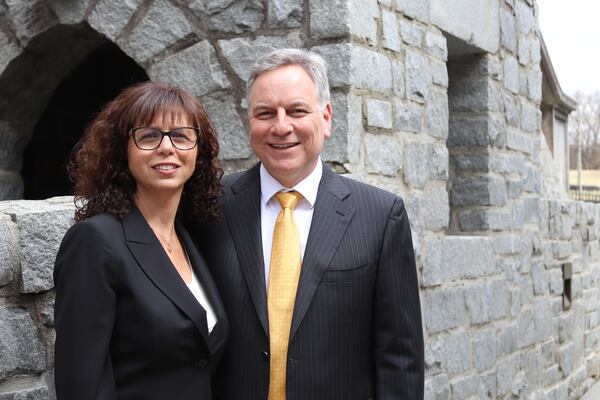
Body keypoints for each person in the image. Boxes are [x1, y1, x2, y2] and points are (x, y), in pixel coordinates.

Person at [194, 49, 424, 399]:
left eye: (297, 110)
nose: (281, 126)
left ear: (327, 118)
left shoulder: (380, 215)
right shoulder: (210, 206)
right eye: (265, 113)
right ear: (249, 123)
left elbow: (400, 357)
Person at [53, 82, 228, 400]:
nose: (167, 147)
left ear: (197, 151)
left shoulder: (189, 237)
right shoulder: (95, 241)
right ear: (123, 150)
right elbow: (82, 385)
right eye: (149, 135)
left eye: (181, 136)